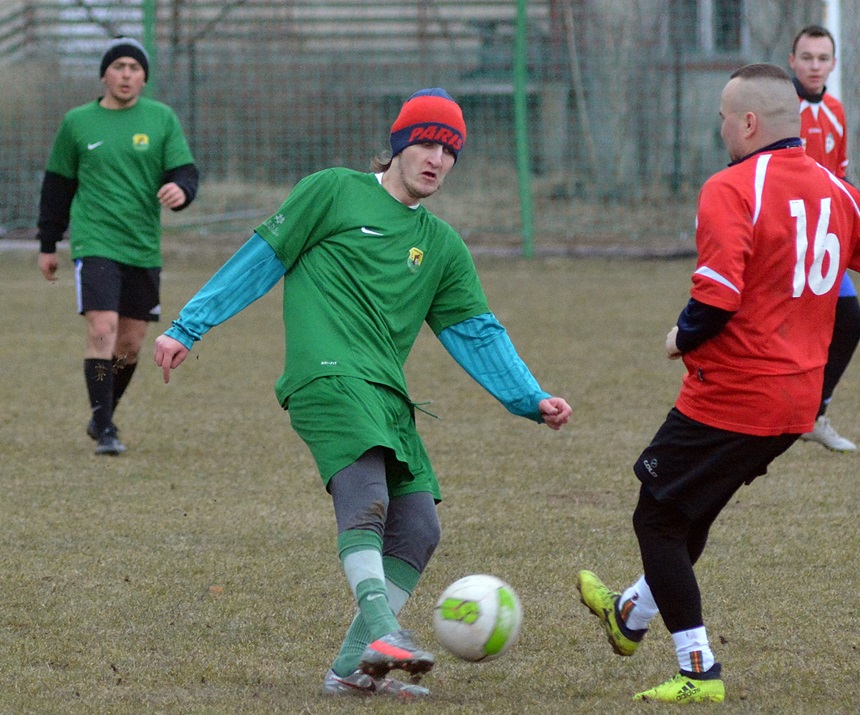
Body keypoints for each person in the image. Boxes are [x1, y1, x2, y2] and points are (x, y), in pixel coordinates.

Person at [152, 88, 573, 700]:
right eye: (426, 143)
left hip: (385, 395)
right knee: (368, 498)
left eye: (450, 150)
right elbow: (260, 258)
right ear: (399, 143)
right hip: (324, 375)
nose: (436, 159)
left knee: (419, 526)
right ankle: (382, 630)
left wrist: (529, 397)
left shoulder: (443, 247)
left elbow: (475, 332)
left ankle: (350, 669)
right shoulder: (331, 191)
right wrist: (188, 325)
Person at [576, 63, 860, 704]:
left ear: (749, 123)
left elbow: (717, 297)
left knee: (656, 517)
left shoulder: (730, 188)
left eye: (724, 119)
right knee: (690, 507)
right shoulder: (839, 192)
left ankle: (698, 670)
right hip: (796, 403)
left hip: (732, 393)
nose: (722, 129)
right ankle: (631, 615)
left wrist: (682, 335)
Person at [37, 36, 200, 455]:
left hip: (142, 245)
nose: (126, 75)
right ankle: (106, 428)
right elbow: (57, 186)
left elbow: (185, 173)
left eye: (135, 68)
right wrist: (48, 243)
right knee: (102, 329)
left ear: (144, 77)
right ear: (104, 74)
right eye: (119, 67)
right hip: (95, 241)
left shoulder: (161, 119)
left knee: (129, 345)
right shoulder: (77, 123)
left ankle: (100, 415)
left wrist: (181, 190)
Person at [788, 24, 860, 452]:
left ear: (833, 63)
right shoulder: (780, 108)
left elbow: (838, 178)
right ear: (792, 61)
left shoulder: (835, 110)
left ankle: (813, 415)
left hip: (824, 240)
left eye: (823, 58)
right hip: (786, 239)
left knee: (850, 322)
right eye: (807, 57)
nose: (815, 66)